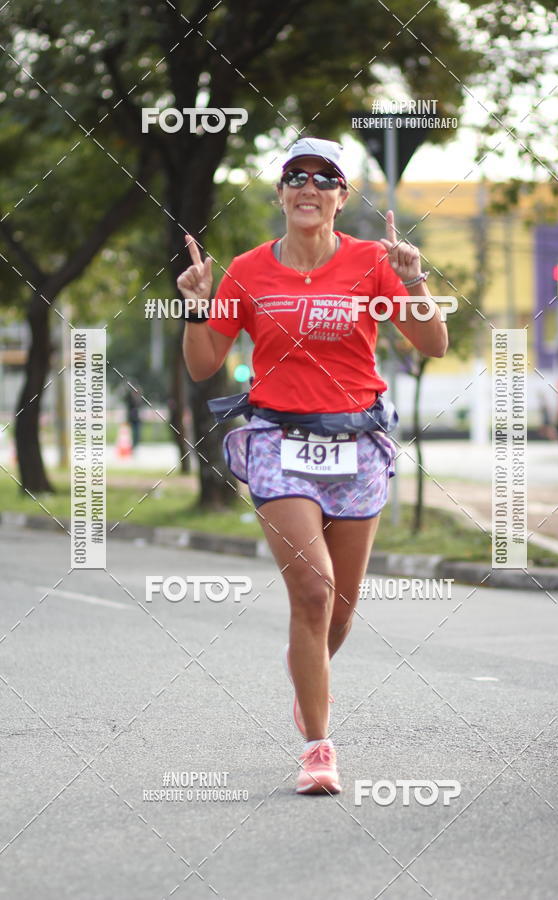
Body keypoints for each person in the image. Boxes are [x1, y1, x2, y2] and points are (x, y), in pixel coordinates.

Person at [179, 137, 448, 795]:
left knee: (341, 615)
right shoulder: (246, 270)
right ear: (280, 193)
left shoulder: (371, 262)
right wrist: (195, 300)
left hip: (356, 443)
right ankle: (318, 748)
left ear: (340, 196)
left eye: (322, 178)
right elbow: (201, 364)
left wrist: (413, 277)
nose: (307, 187)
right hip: (276, 440)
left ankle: (308, 677)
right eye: (295, 176)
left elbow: (434, 342)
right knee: (313, 591)